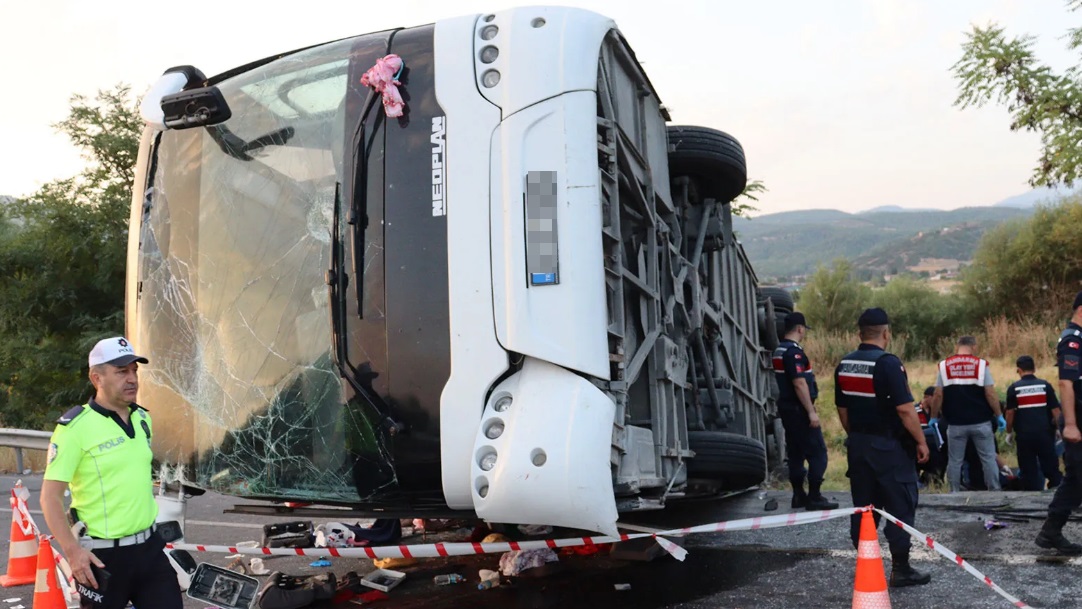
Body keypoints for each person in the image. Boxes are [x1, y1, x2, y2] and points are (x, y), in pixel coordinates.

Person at [39, 337, 183, 609]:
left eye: (133, 371)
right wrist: (73, 552)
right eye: (121, 372)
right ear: (97, 378)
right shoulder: (74, 429)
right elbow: (49, 498)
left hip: (149, 549)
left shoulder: (142, 419)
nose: (131, 379)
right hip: (103, 558)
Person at [835, 308, 931, 587]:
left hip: (859, 445)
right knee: (900, 504)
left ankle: (868, 565)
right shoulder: (888, 363)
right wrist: (921, 441)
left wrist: (856, 437)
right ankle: (901, 568)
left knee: (864, 508)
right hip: (889, 447)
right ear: (886, 333)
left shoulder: (845, 364)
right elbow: (904, 409)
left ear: (859, 334)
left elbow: (842, 409)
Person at [771, 312, 838, 510]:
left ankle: (799, 495)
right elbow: (799, 383)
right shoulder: (794, 353)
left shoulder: (779, 350)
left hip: (787, 409)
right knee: (818, 453)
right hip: (799, 410)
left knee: (796, 453)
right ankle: (815, 496)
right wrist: (811, 411)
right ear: (800, 329)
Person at [1035, 291, 1082, 554]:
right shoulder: (1072, 340)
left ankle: (1050, 532)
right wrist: (1071, 424)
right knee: (1077, 477)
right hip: (1077, 422)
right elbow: (1066, 382)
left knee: (1075, 479)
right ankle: (1050, 531)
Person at [929, 336, 1005, 492]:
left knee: (955, 461)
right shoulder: (981, 365)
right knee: (988, 458)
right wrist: (998, 415)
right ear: (974, 347)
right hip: (981, 421)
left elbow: (938, 394)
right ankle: (995, 491)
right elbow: (990, 393)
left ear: (957, 346)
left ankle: (954, 492)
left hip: (955, 423)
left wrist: (933, 417)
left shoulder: (944, 366)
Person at [1005, 355, 1063, 491]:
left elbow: (1010, 413)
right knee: (1051, 467)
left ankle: (1031, 495)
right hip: (1045, 434)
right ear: (1034, 368)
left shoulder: (1014, 388)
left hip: (1024, 436)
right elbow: (1055, 410)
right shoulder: (1045, 386)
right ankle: (1057, 491)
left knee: (1028, 469)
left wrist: (1009, 432)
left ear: (1018, 370)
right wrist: (1060, 428)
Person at [915, 386, 946, 483]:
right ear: (927, 397)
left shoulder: (940, 413)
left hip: (936, 449)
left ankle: (933, 479)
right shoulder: (915, 411)